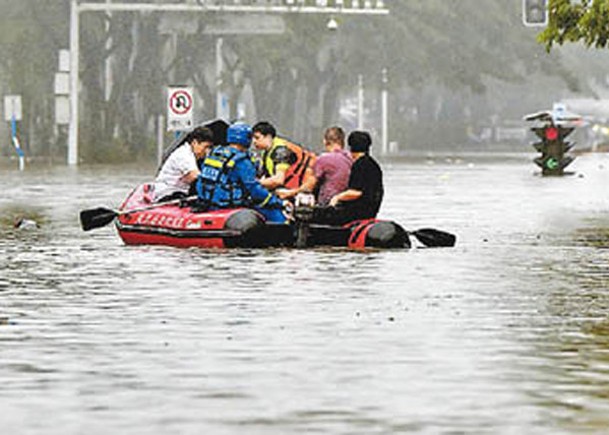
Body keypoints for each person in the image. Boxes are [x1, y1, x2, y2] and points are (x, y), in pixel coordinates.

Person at [195, 122, 289, 224]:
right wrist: (278, 202)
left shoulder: (215, 153)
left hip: (208, 202)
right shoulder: (241, 161)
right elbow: (254, 189)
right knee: (276, 214)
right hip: (228, 205)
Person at [313, 130, 384, 225]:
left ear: (350, 147)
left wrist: (337, 198)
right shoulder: (373, 164)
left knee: (318, 215)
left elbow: (356, 192)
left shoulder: (359, 165)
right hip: (371, 211)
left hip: (358, 213)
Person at [278, 126, 352, 205]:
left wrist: (290, 192)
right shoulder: (350, 158)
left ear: (325, 141)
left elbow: (309, 186)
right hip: (347, 204)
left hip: (327, 204)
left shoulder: (324, 159)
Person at [152, 126, 215, 202]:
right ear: (194, 143)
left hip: (180, 192)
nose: (206, 151)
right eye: (205, 147)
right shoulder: (184, 155)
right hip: (167, 194)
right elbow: (195, 177)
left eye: (209, 148)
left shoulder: (194, 156)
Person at [251, 121, 316, 193]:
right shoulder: (266, 152)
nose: (254, 141)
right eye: (253, 138)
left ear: (268, 136)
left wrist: (252, 183)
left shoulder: (281, 150)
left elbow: (279, 180)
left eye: (257, 138)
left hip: (304, 186)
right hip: (291, 188)